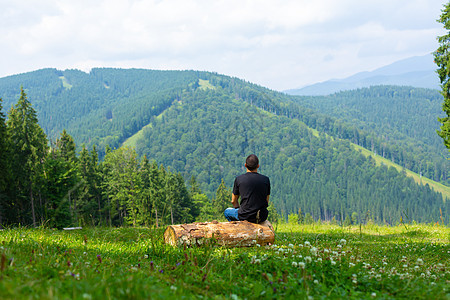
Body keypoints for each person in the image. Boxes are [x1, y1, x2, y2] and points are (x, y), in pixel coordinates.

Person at [224, 154, 270, 223]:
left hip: (244, 215)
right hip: (261, 216)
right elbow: (266, 201)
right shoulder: (266, 180)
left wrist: (239, 209)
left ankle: (238, 228)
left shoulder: (239, 179)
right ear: (258, 166)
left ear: (245, 165)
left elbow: (233, 201)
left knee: (227, 211)